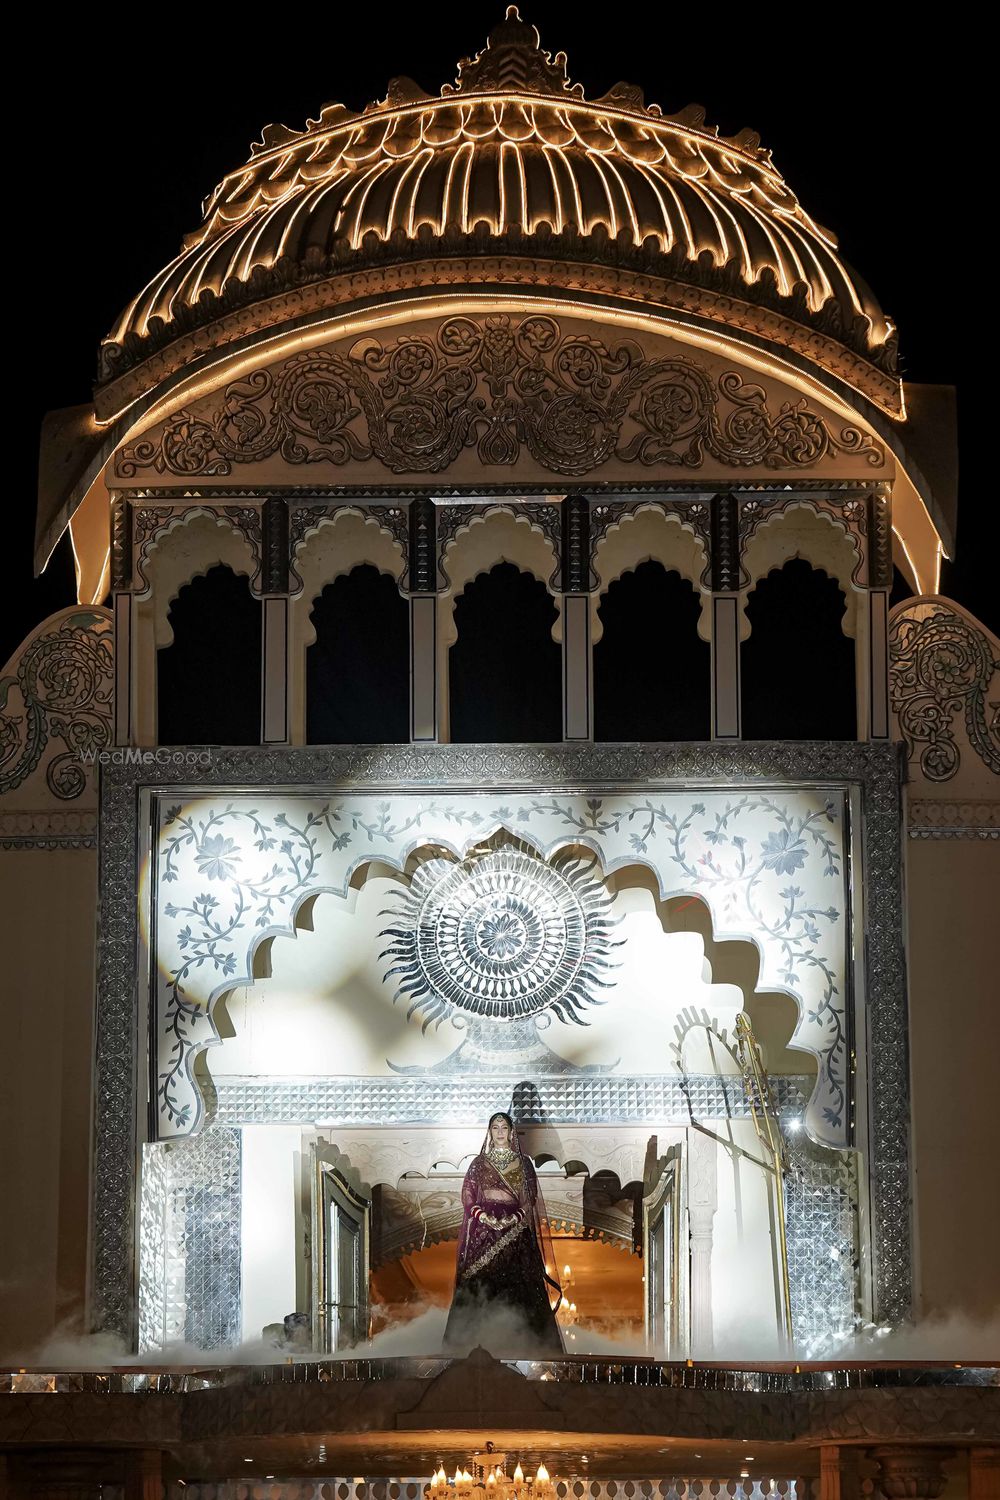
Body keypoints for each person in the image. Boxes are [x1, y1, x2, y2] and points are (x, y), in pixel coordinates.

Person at [443, 1111, 563, 1354]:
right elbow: (468, 1195)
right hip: (483, 1232)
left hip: (515, 1230)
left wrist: (513, 1218)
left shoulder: (524, 1163)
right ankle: (469, 1348)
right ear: (490, 1131)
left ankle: (526, 1345)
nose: (500, 1131)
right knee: (479, 1282)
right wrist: (484, 1217)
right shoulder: (478, 1164)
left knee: (521, 1282)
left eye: (504, 1127)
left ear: (510, 1132)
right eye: (495, 1127)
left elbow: (529, 1198)